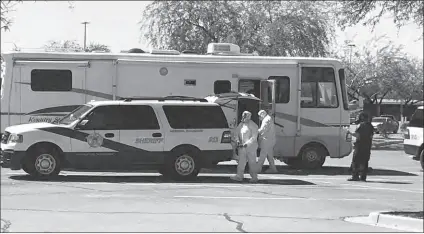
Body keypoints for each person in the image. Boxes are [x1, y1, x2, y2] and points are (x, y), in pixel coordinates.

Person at [230, 111, 259, 183]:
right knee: (241, 162)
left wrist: (246, 144)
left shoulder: (253, 125)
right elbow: (236, 133)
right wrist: (237, 141)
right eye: (243, 116)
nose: (243, 117)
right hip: (242, 147)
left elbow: (254, 137)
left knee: (252, 162)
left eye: (244, 116)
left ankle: (254, 177)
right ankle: (239, 176)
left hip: (251, 147)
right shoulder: (241, 125)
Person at [348, 112, 375, 182]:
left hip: (359, 146)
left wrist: (349, 132)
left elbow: (357, 135)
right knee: (365, 162)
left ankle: (355, 176)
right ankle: (363, 177)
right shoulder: (370, 126)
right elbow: (371, 136)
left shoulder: (360, 125)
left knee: (355, 161)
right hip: (367, 146)